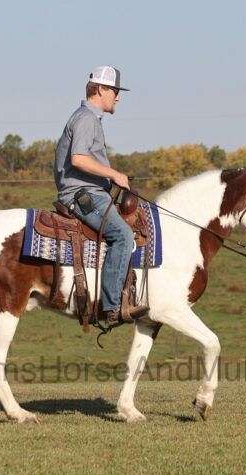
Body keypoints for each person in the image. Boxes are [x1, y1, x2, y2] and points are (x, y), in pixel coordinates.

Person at [54, 66, 148, 327]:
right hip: (83, 195)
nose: (118, 97)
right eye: (116, 91)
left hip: (91, 191)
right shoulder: (86, 119)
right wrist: (114, 174)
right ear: (102, 89)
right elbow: (79, 159)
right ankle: (112, 306)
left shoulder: (88, 118)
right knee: (123, 235)